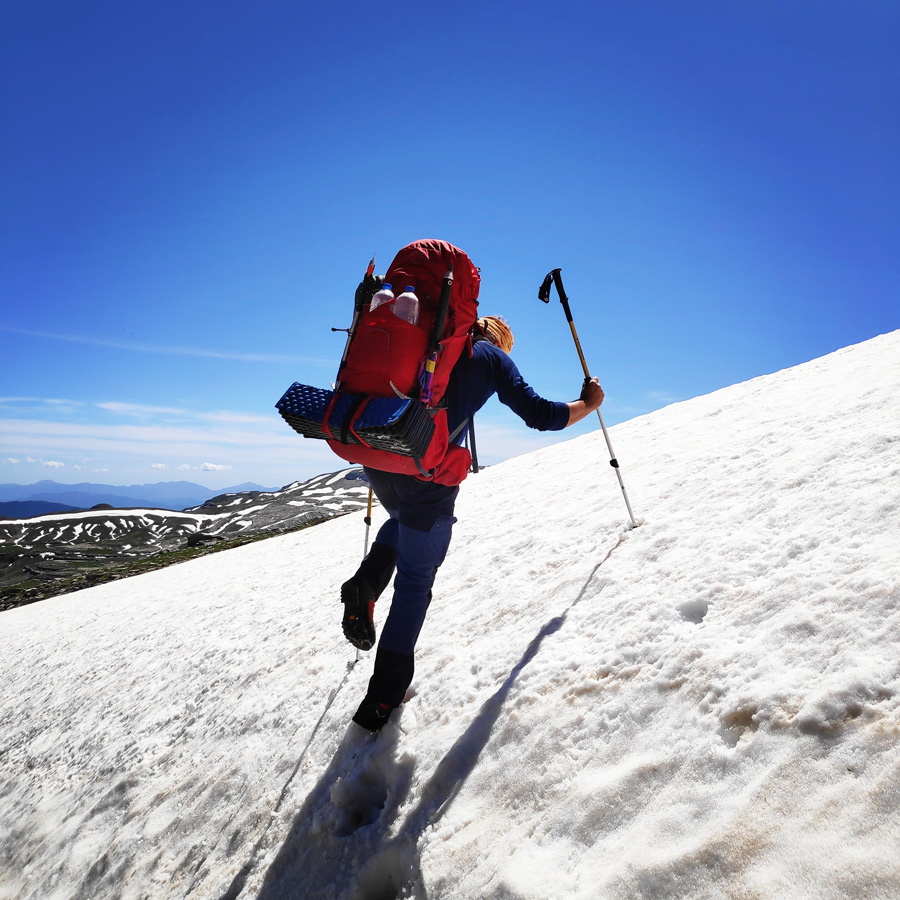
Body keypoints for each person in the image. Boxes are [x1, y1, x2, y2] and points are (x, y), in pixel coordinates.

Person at [341, 315, 604, 731]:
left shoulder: (428, 344)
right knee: (415, 582)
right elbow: (541, 415)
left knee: (405, 519)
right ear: (500, 340)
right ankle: (381, 700)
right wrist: (588, 404)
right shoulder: (492, 357)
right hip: (424, 475)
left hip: (379, 458)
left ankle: (367, 582)